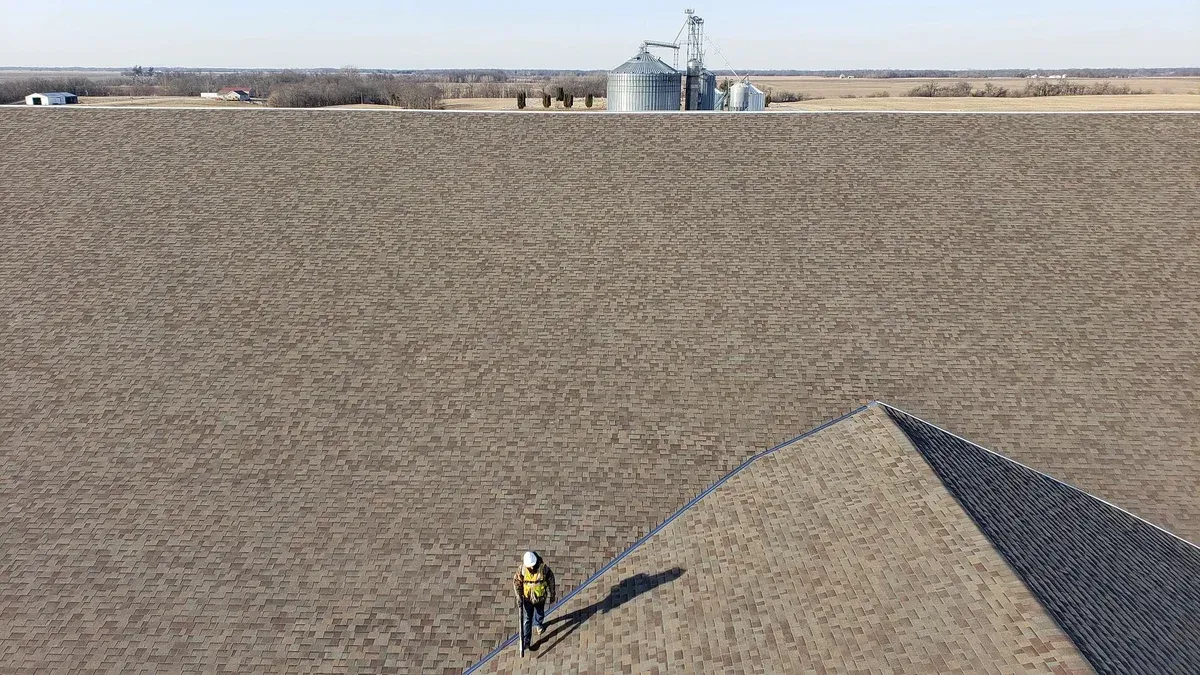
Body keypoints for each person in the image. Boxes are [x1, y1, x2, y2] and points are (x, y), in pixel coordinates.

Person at [512, 550, 556, 653]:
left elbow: (551, 580)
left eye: (533, 565)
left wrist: (552, 594)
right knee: (527, 619)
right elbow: (516, 583)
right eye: (529, 566)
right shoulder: (522, 570)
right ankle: (527, 640)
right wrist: (518, 596)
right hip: (527, 599)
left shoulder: (543, 569)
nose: (531, 568)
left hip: (540, 598)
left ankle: (539, 624)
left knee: (540, 613)